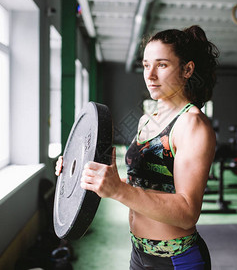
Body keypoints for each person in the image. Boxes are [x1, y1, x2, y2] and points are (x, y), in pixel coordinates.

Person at [56, 25, 219, 269]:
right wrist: (79, 169)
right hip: (139, 254)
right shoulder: (148, 119)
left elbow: (187, 212)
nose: (150, 75)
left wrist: (119, 191)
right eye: (145, 65)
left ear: (187, 69)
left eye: (161, 65)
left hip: (175, 260)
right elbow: (138, 185)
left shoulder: (192, 124)